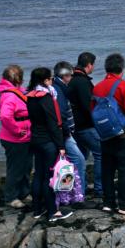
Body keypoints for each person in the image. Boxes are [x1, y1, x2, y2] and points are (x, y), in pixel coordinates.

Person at [92, 53, 125, 215]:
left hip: (105, 133)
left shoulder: (97, 87)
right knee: (124, 170)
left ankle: (108, 202)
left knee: (107, 169)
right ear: (122, 68)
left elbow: (92, 110)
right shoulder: (124, 86)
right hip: (124, 134)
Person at [26, 67, 72, 222]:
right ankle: (53, 212)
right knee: (50, 177)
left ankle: (37, 209)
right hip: (48, 142)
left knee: (38, 175)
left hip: (35, 140)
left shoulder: (30, 96)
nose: (52, 80)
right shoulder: (46, 97)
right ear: (45, 80)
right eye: (51, 78)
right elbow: (53, 123)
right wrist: (61, 145)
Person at [67, 52, 102, 198]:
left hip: (75, 126)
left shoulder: (72, 79)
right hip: (84, 126)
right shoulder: (82, 82)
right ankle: (100, 188)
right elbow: (88, 106)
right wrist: (99, 122)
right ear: (89, 65)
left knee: (80, 157)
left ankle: (79, 188)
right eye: (93, 64)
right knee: (101, 153)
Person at [0, 64, 32, 209]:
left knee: (26, 167)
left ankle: (24, 192)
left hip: (25, 137)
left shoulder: (18, 92)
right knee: (15, 169)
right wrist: (18, 130)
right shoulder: (10, 96)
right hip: (14, 139)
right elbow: (5, 116)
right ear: (19, 79)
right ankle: (11, 197)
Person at [52, 61, 87, 200]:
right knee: (79, 160)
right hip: (64, 134)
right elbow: (60, 115)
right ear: (65, 75)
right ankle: (78, 195)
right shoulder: (59, 90)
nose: (72, 78)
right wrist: (66, 132)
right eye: (70, 75)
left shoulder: (58, 87)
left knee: (70, 162)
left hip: (64, 133)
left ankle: (69, 193)